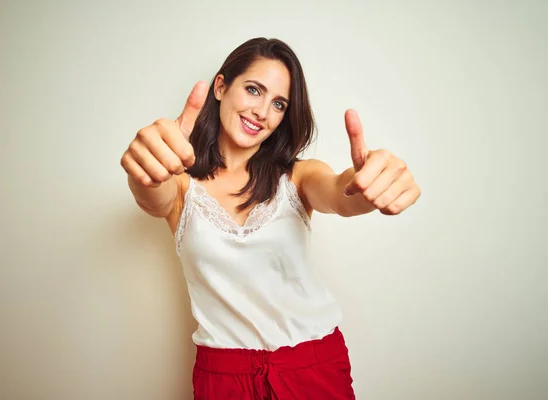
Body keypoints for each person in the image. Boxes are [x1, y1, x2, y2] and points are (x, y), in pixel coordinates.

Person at [120, 37, 420, 400]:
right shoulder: (182, 186)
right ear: (220, 86)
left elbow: (341, 194)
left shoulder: (299, 176)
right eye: (253, 90)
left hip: (314, 368)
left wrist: (371, 183)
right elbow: (152, 196)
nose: (262, 112)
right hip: (223, 379)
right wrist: (144, 172)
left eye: (278, 103)